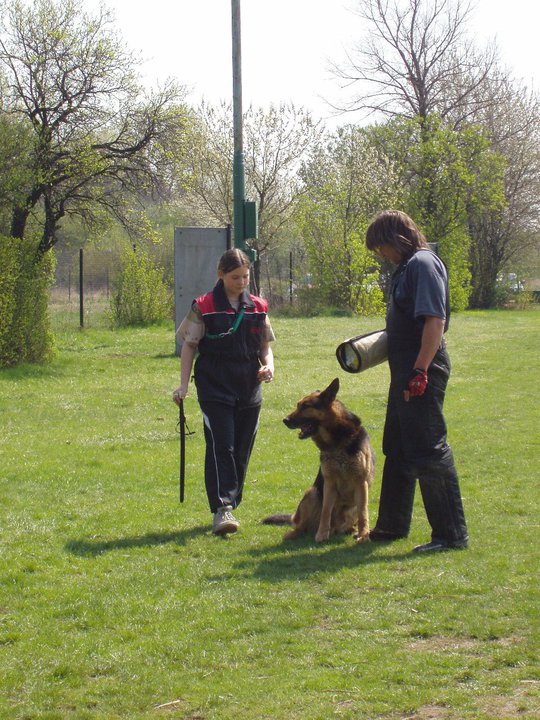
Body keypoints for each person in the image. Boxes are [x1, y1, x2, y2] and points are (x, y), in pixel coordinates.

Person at [365, 210, 468, 552]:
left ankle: (451, 535)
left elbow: (434, 322)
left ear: (397, 238)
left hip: (422, 369)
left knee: (428, 448)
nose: (381, 254)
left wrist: (420, 371)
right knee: (397, 446)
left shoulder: (423, 264)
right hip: (405, 370)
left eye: (381, 246)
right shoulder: (407, 268)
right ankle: (392, 526)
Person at [172, 249, 275, 536]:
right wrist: (183, 386)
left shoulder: (259, 306)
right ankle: (222, 509)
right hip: (214, 387)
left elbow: (265, 347)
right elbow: (189, 346)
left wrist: (269, 367)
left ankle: (231, 502)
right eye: (235, 277)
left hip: (249, 389)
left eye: (245, 276)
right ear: (220, 275)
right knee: (222, 446)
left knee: (242, 448)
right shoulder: (203, 306)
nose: (242, 282)